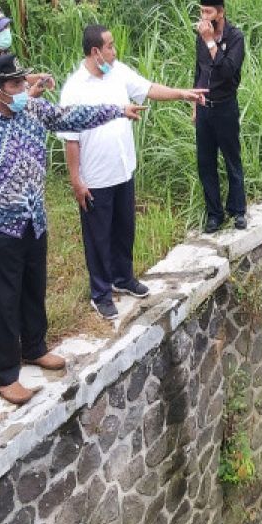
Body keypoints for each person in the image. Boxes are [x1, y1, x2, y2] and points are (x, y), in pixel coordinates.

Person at [0, 54, 146, 405]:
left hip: (34, 220)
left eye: (22, 83)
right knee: (2, 301)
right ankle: (6, 374)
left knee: (33, 288)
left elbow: (70, 116)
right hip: (0, 230)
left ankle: (34, 347)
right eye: (16, 85)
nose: (22, 89)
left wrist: (118, 110)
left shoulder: (33, 110)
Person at [60, 24, 207, 320]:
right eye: (111, 46)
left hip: (123, 169)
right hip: (95, 177)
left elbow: (149, 89)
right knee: (98, 236)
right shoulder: (74, 89)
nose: (115, 51)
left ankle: (123, 278)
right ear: (95, 51)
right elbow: (70, 139)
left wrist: (182, 94)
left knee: (124, 229)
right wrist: (76, 180)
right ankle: (100, 292)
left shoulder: (118, 72)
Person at [193, 0, 247, 232]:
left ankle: (238, 210)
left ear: (221, 12)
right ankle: (214, 214)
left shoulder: (235, 37)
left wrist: (210, 41)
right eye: (202, 11)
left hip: (225, 106)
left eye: (209, 11)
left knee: (231, 159)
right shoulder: (200, 37)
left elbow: (227, 72)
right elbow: (200, 70)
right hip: (205, 107)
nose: (204, 16)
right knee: (206, 163)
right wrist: (195, 103)